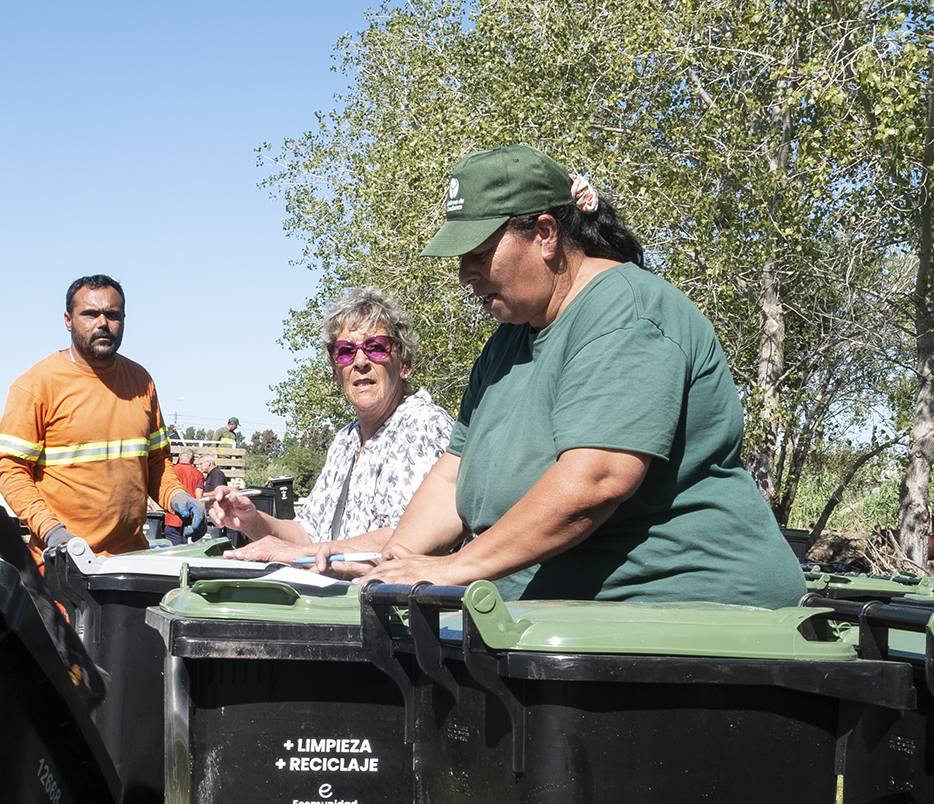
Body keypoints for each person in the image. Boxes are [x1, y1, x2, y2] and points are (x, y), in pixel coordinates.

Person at [338, 144, 803, 606]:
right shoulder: (509, 340)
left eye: (479, 254)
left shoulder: (627, 313)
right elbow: (451, 479)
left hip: (685, 611)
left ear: (545, 234)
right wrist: (396, 561)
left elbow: (596, 480)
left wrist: (454, 568)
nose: (465, 274)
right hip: (558, 625)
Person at [209, 288, 452, 562]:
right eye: (346, 352)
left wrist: (301, 554)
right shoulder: (345, 440)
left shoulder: (423, 425)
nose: (360, 362)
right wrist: (251, 520)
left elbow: (409, 538)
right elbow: (309, 534)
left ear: (404, 364)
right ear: (336, 373)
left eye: (376, 347)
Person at [0, 274, 202, 561]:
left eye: (112, 315)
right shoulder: (35, 386)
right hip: (62, 565)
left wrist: (177, 496)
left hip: (130, 563)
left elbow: (156, 462)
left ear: (124, 319)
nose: (103, 323)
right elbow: (12, 471)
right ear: (68, 320)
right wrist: (51, 529)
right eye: (90, 314)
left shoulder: (142, 382)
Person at [163, 450, 206, 545]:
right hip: (191, 519)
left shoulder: (172, 471)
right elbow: (199, 496)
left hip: (173, 517)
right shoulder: (198, 474)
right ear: (193, 460)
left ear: (179, 456)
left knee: (172, 550)